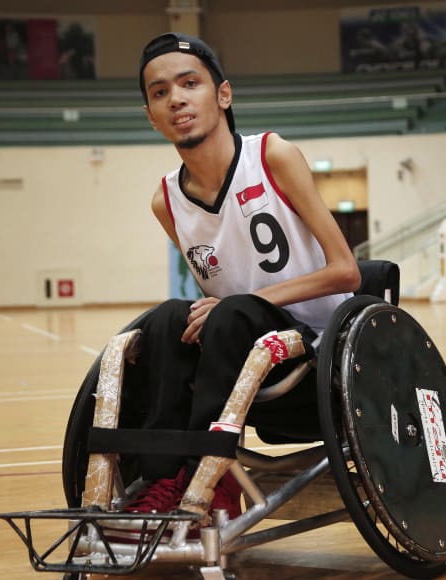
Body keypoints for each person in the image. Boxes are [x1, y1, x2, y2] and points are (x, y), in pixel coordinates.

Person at [121, 32, 361, 517]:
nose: (177, 99)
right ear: (150, 116)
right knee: (166, 319)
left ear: (223, 95)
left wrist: (246, 302)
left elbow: (347, 272)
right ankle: (162, 479)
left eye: (190, 83)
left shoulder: (273, 156)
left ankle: (213, 478)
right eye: (160, 92)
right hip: (242, 345)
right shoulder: (164, 201)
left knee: (229, 313)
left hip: (317, 347)